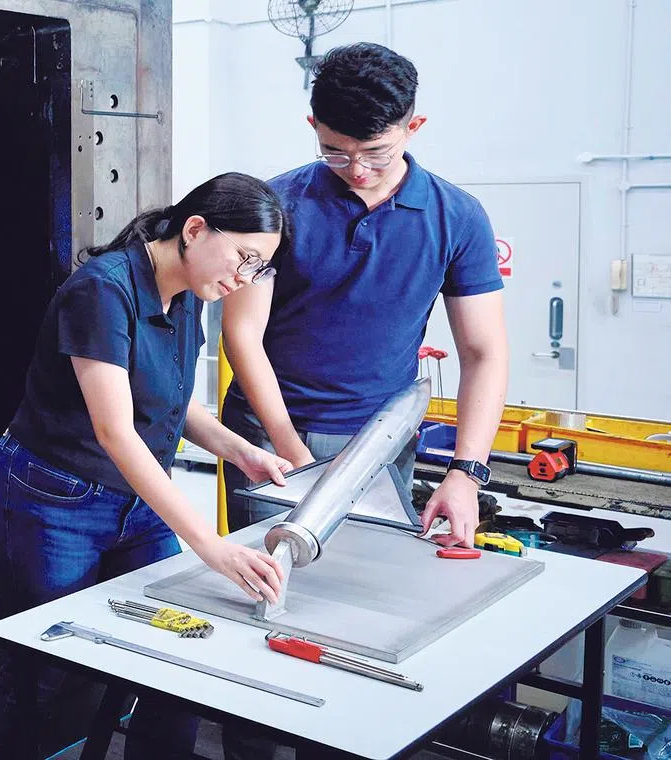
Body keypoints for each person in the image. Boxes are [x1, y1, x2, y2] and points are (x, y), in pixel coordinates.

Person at [218, 44, 508, 759]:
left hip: (382, 443)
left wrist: (466, 474)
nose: (357, 169)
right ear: (313, 126)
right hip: (270, 441)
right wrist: (286, 444)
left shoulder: (455, 215)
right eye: (335, 151)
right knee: (265, 615)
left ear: (416, 126)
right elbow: (242, 333)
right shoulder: (277, 205)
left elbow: (484, 352)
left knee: (361, 622)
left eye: (374, 152)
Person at [0, 171, 294, 759]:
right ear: (195, 230)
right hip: (55, 499)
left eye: (258, 268)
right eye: (243, 258)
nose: (243, 279)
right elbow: (115, 430)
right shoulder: (102, 291)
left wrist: (241, 450)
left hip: (137, 501)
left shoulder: (188, 294)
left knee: (178, 654)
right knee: (45, 666)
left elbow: (171, 398)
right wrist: (210, 543)